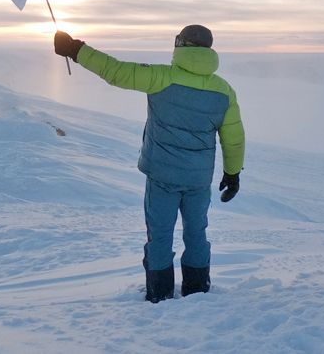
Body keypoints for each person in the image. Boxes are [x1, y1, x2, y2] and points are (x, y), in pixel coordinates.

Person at [53, 24, 244, 303]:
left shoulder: (160, 77)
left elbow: (115, 71)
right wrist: (233, 173)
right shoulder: (224, 91)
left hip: (162, 176)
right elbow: (234, 137)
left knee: (161, 235)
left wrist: (75, 49)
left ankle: (160, 294)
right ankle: (197, 289)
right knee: (196, 232)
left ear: (181, 45)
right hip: (198, 179)